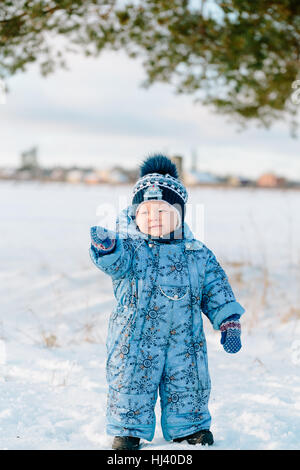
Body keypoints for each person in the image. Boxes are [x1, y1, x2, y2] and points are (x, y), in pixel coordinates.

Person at [89, 154, 245, 450]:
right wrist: (107, 248)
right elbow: (115, 263)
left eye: (163, 212)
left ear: (180, 214)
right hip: (134, 339)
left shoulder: (197, 253)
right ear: (135, 216)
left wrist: (228, 320)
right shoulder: (132, 249)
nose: (154, 218)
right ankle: (127, 430)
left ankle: (191, 428)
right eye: (146, 213)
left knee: (188, 383)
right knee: (131, 382)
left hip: (185, 339)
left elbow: (215, 287)